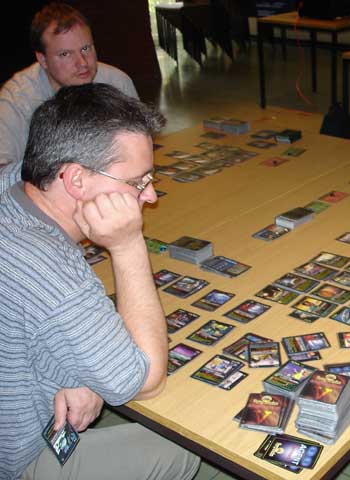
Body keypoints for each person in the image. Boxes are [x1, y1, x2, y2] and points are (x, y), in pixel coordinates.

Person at [0, 83, 200, 480]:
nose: (151, 196)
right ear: (75, 179)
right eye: (138, 181)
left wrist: (74, 373)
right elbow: (144, 380)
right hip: (14, 458)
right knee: (183, 450)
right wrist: (128, 245)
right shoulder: (50, 271)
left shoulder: (13, 182)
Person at [0, 2, 138, 171]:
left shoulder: (117, 83)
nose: (82, 63)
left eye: (86, 48)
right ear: (43, 60)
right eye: (65, 54)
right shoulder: (16, 101)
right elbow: (2, 175)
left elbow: (138, 150)